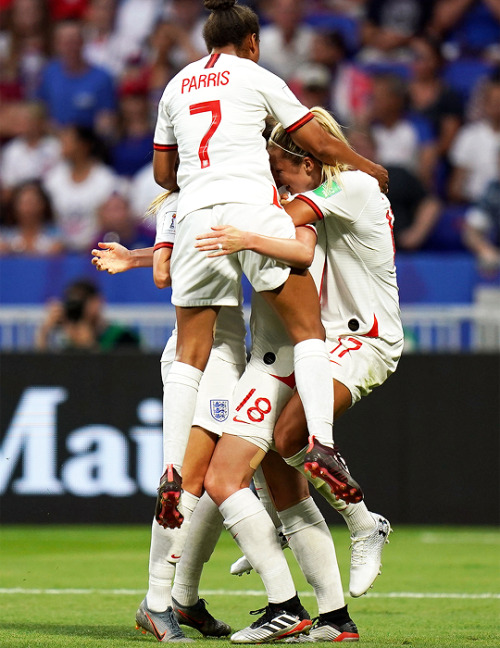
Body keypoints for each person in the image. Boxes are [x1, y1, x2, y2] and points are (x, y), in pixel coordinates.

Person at [151, 0, 388, 530]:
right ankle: (322, 444)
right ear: (252, 42)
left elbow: (164, 173)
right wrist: (366, 167)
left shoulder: (175, 86)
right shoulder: (256, 75)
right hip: (252, 210)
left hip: (194, 217)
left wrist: (202, 179)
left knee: (190, 355)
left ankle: (170, 467)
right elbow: (317, 140)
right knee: (306, 330)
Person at [92, 192, 361, 643]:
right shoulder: (184, 201)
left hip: (229, 353)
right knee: (193, 478)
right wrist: (154, 257)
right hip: (204, 358)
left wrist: (138, 256)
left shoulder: (220, 194)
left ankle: (186, 600)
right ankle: (159, 603)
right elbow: (167, 270)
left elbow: (181, 255)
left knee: (219, 482)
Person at [196, 105, 402, 606]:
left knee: (291, 434)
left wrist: (230, 213)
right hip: (324, 343)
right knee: (274, 450)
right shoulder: (329, 189)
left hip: (366, 337)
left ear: (309, 163)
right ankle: (284, 528)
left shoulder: (351, 187)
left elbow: (285, 226)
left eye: (280, 168)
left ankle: (362, 522)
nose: (277, 178)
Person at [35, 277, 141, 351]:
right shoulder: (67, 340)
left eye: (82, 302)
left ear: (98, 301)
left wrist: (88, 345)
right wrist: (44, 332)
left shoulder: (123, 337)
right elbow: (46, 370)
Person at [0, 180, 63, 255]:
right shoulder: (5, 236)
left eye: (32, 202)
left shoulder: (55, 234)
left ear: (43, 205)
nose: (28, 208)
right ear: (14, 206)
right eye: (24, 203)